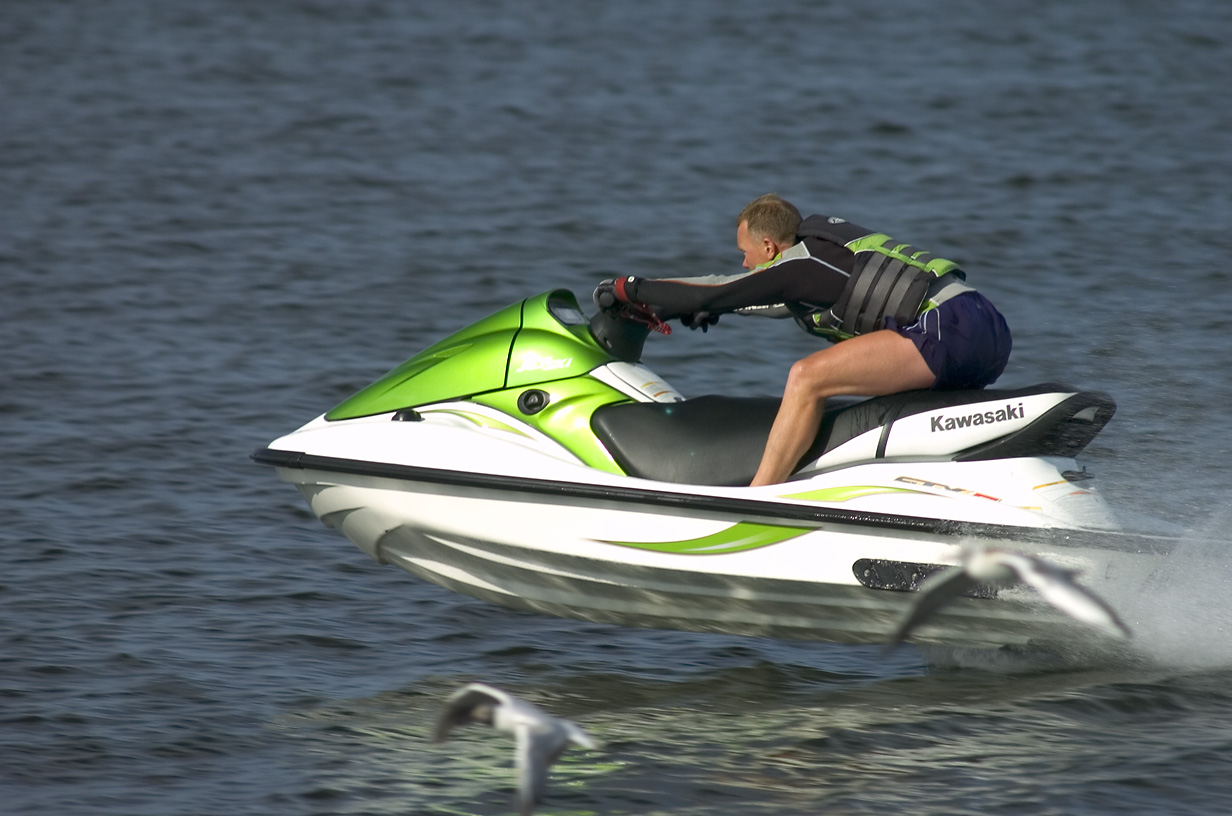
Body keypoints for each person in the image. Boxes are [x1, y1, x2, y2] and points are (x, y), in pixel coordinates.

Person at [593, 194, 1012, 486]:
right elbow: (743, 297)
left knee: (807, 377)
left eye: (745, 252)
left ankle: (758, 497)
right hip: (984, 326)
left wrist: (631, 288)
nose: (744, 263)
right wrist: (670, 310)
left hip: (948, 326)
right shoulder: (818, 264)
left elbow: (716, 292)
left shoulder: (803, 266)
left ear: (768, 246)